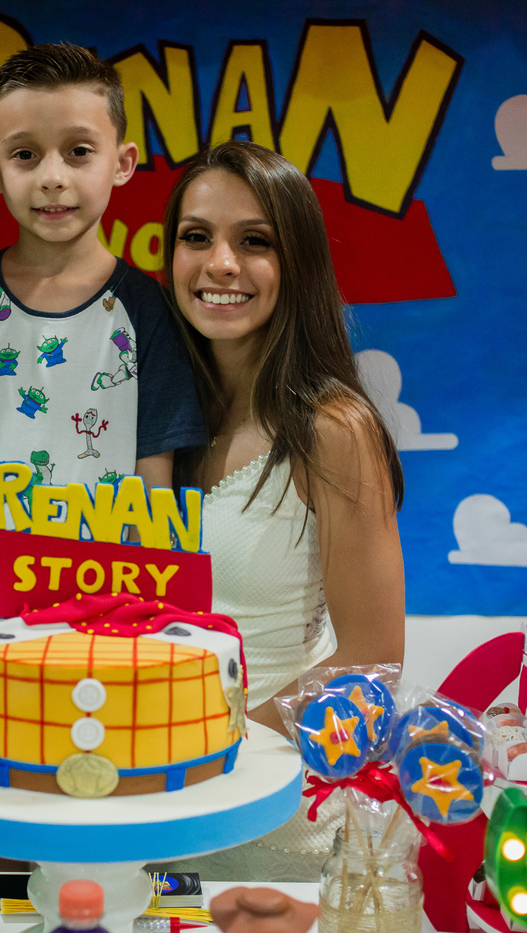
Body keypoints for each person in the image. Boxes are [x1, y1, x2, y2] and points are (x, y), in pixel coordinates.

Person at [0, 43, 204, 704]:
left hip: (107, 635)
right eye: (26, 154)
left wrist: (149, 629)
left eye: (79, 151)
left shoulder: (148, 312)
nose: (53, 177)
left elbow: (155, 485)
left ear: (123, 163)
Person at [157, 141, 406, 882]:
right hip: (149, 818)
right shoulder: (150, 419)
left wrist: (214, 751)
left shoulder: (334, 430)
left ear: (295, 263)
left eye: (254, 241)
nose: (220, 264)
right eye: (196, 236)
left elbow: (372, 661)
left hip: (276, 827)